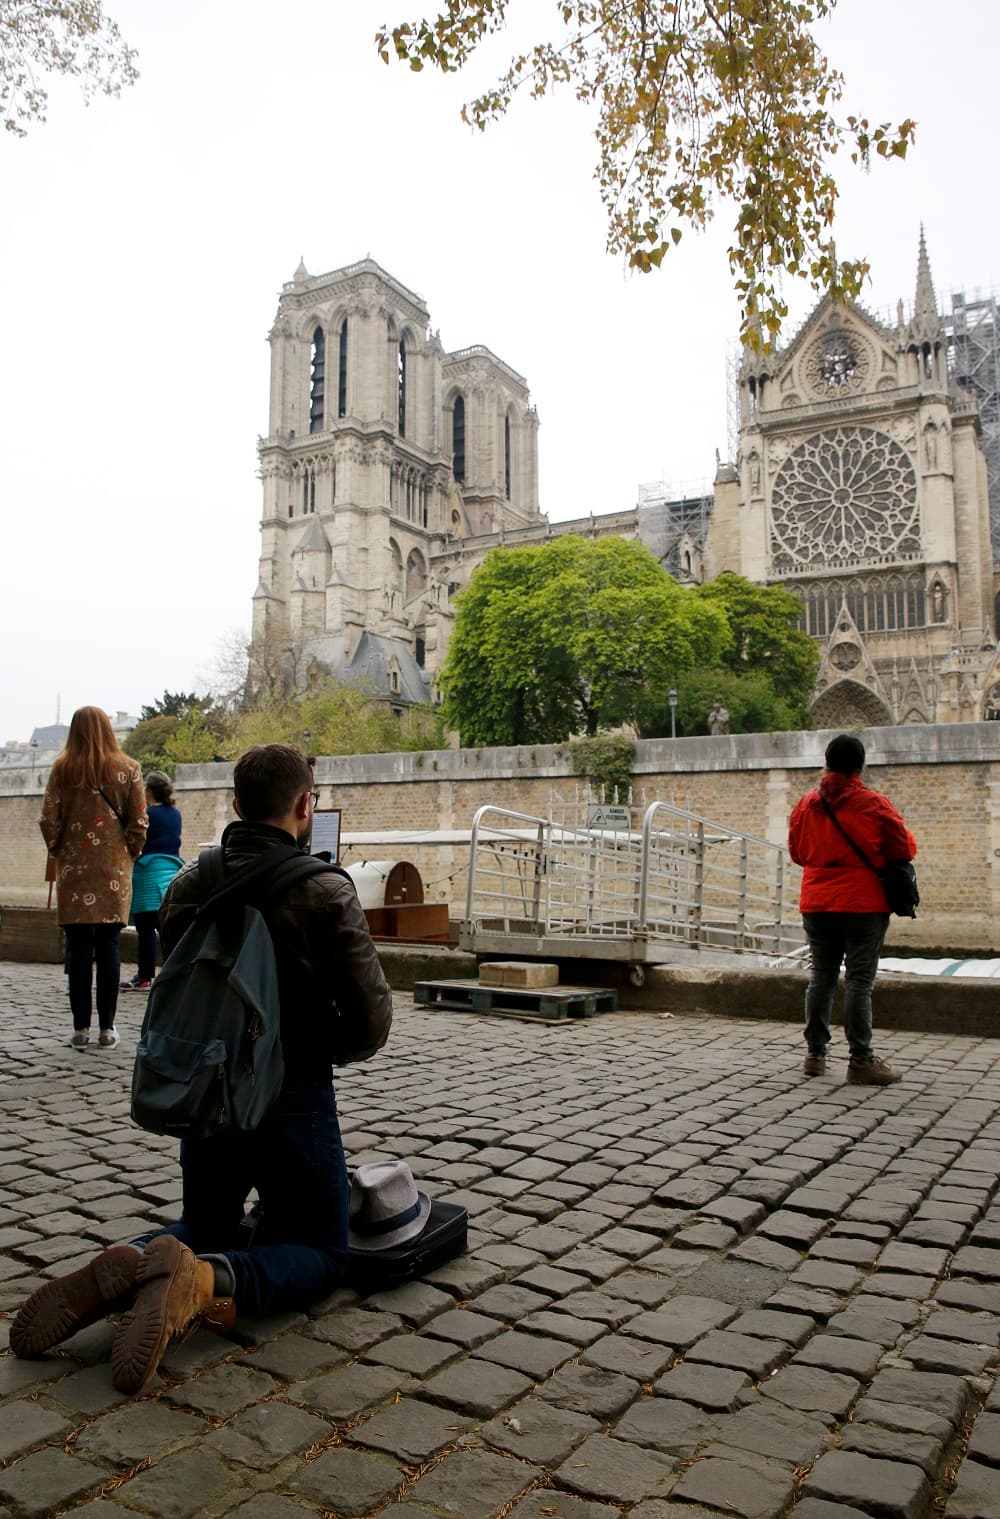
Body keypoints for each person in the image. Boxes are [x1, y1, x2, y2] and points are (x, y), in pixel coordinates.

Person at [12, 744, 392, 1393]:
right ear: (305, 806)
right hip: (290, 1096)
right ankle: (205, 1280)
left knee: (204, 1221)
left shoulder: (191, 883)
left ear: (237, 805)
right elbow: (370, 1022)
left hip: (206, 1090)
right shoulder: (326, 890)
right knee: (325, 1252)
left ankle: (134, 1259)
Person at [788, 733, 916, 1085]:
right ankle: (860, 1059)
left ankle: (815, 1054)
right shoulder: (874, 804)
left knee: (821, 977)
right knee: (859, 981)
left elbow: (797, 852)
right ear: (860, 767)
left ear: (826, 764)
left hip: (817, 902)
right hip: (863, 904)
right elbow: (904, 848)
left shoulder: (805, 805)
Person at [39, 707, 147, 1050]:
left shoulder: (62, 769)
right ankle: (108, 1028)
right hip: (113, 870)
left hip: (74, 870)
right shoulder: (128, 769)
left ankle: (80, 1029)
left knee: (80, 948)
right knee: (109, 946)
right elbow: (139, 821)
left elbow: (48, 819)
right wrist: (129, 849)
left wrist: (59, 847)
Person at [121, 770, 183, 992]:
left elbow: (134, 841)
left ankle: (145, 976)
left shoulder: (146, 815)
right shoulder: (176, 814)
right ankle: (173, 974)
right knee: (166, 928)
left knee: (145, 928)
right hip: (171, 873)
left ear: (147, 791)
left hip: (148, 873)